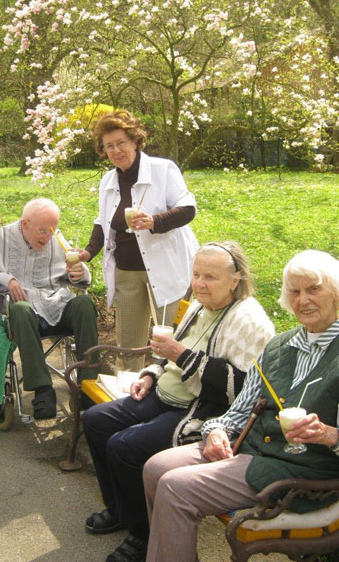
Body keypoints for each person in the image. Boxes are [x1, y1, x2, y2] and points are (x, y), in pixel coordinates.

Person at [83, 241, 275, 562]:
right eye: (196, 274)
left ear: (235, 280)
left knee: (124, 447)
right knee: (95, 420)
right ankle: (120, 509)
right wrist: (150, 374)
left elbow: (240, 390)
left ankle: (143, 534)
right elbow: (171, 353)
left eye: (210, 277)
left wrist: (181, 355)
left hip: (198, 412)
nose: (199, 283)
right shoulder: (201, 305)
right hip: (162, 393)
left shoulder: (249, 322)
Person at [143, 249, 339, 562]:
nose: (303, 300)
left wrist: (329, 435)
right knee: (156, 467)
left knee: (175, 487)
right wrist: (216, 430)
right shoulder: (280, 346)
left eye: (314, 289)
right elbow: (240, 408)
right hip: (250, 450)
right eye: (295, 291)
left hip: (302, 474)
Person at [79, 109, 199, 371]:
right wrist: (88, 252)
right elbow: (103, 221)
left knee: (171, 339)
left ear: (135, 140)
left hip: (166, 269)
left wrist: (155, 221)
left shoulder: (163, 169)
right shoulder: (108, 181)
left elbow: (188, 209)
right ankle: (129, 396)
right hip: (127, 272)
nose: (116, 150)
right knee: (128, 345)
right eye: (108, 146)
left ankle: (169, 395)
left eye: (121, 142)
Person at [0, 198, 99, 420]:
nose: (49, 237)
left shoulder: (55, 239)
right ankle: (43, 390)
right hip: (24, 313)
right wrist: (8, 280)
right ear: (25, 223)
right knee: (20, 309)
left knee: (84, 303)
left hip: (56, 304)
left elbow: (78, 277)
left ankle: (88, 386)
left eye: (53, 230)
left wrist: (81, 273)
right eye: (43, 231)